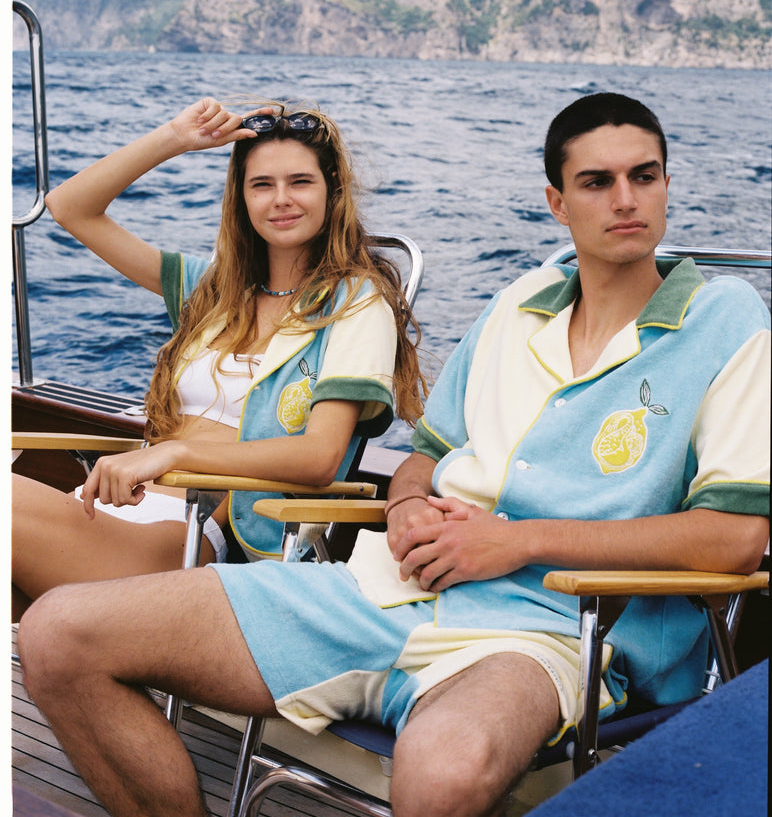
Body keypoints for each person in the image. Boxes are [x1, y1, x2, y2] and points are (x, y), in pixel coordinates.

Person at [18, 93, 769, 817]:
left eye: (644, 176)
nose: (625, 200)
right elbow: (423, 458)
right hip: (388, 588)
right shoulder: (519, 303)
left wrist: (515, 541)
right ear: (557, 203)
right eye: (596, 182)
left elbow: (734, 540)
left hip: (552, 629)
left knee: (439, 774)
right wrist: (408, 506)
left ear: (670, 185)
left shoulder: (726, 321)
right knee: (58, 636)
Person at [12, 96, 424, 620]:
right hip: (124, 512)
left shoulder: (357, 302)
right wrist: (177, 138)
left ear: (332, 192)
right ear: (241, 198)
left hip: (200, 541)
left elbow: (319, 458)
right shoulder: (212, 289)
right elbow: (71, 207)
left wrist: (174, 454)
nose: (281, 199)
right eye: (261, 184)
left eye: (300, 181)